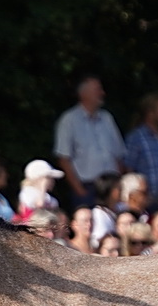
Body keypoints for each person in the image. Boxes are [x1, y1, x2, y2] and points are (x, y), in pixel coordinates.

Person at [52, 75, 126, 208]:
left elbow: (119, 154)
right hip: (87, 187)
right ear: (83, 93)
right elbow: (63, 158)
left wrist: (118, 183)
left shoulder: (107, 119)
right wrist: (80, 190)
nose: (102, 93)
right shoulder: (69, 121)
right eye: (98, 90)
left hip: (111, 186)